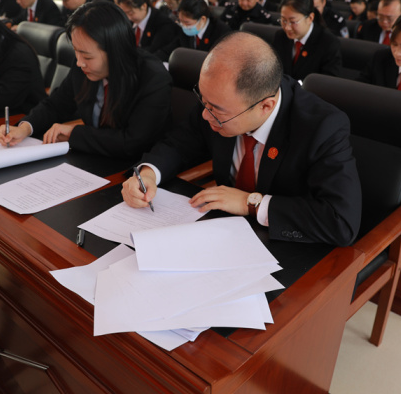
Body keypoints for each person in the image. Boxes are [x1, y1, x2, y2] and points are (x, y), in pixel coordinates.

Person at [121, 31, 361, 246]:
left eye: (216, 110)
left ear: (265, 106)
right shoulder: (217, 100)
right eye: (203, 100)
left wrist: (251, 203)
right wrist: (148, 173)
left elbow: (341, 221)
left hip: (285, 246)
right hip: (221, 233)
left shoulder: (322, 127)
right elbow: (180, 143)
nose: (205, 114)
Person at [0, 1, 172, 159]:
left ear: (115, 51)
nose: (79, 62)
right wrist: (25, 128)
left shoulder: (152, 78)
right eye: (76, 51)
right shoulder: (83, 66)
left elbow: (131, 142)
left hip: (133, 170)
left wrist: (75, 133)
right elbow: (56, 105)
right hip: (90, 159)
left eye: (87, 56)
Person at [272, 0, 341, 81]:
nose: (287, 27)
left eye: (293, 22)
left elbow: (328, 84)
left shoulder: (329, 43)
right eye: (283, 20)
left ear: (310, 18)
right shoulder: (280, 36)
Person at [154, 0, 231, 60]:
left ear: (203, 19)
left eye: (187, 22)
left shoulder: (222, 33)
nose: (183, 25)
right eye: (181, 21)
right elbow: (168, 51)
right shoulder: (183, 31)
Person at [116, 0, 180, 57]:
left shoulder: (163, 24)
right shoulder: (129, 22)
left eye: (130, 13)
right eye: (124, 13)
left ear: (143, 6)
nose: (128, 18)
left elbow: (153, 52)